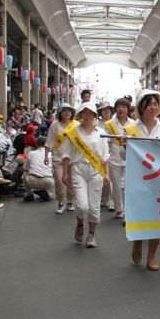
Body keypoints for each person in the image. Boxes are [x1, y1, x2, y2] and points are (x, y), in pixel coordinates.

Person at [123, 90, 160, 271]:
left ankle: (151, 256)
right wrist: (125, 145)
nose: (153, 108)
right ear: (141, 107)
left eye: (155, 104)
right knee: (139, 214)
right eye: (149, 104)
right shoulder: (130, 129)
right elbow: (123, 155)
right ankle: (137, 243)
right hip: (137, 179)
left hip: (159, 179)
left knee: (157, 217)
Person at [60, 103, 110, 249]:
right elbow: (66, 154)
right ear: (80, 115)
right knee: (82, 205)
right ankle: (80, 223)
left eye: (90, 113)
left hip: (95, 171)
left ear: (95, 115)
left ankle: (91, 236)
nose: (87, 115)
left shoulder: (100, 132)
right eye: (84, 113)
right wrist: (64, 173)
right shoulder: (73, 132)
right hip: (78, 170)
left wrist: (106, 174)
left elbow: (105, 156)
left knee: (94, 208)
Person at [103, 98, 135, 221]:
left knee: (127, 185)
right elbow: (106, 142)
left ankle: (127, 209)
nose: (121, 109)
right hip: (114, 158)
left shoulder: (133, 124)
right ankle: (119, 209)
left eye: (124, 107)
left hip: (128, 158)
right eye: (119, 107)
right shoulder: (109, 124)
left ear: (128, 109)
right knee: (116, 185)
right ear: (115, 108)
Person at [45, 104, 77, 214]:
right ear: (60, 113)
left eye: (69, 110)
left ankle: (70, 201)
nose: (67, 113)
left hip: (73, 158)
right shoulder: (55, 125)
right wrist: (46, 156)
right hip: (58, 157)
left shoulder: (76, 125)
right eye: (64, 111)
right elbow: (49, 140)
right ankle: (60, 202)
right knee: (59, 180)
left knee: (71, 181)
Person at [22, 136, 53, 202]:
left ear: (37, 144)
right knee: (53, 171)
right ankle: (48, 192)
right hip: (48, 181)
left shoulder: (31, 153)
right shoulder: (50, 154)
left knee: (24, 174)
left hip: (32, 181)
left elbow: (25, 167)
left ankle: (29, 194)